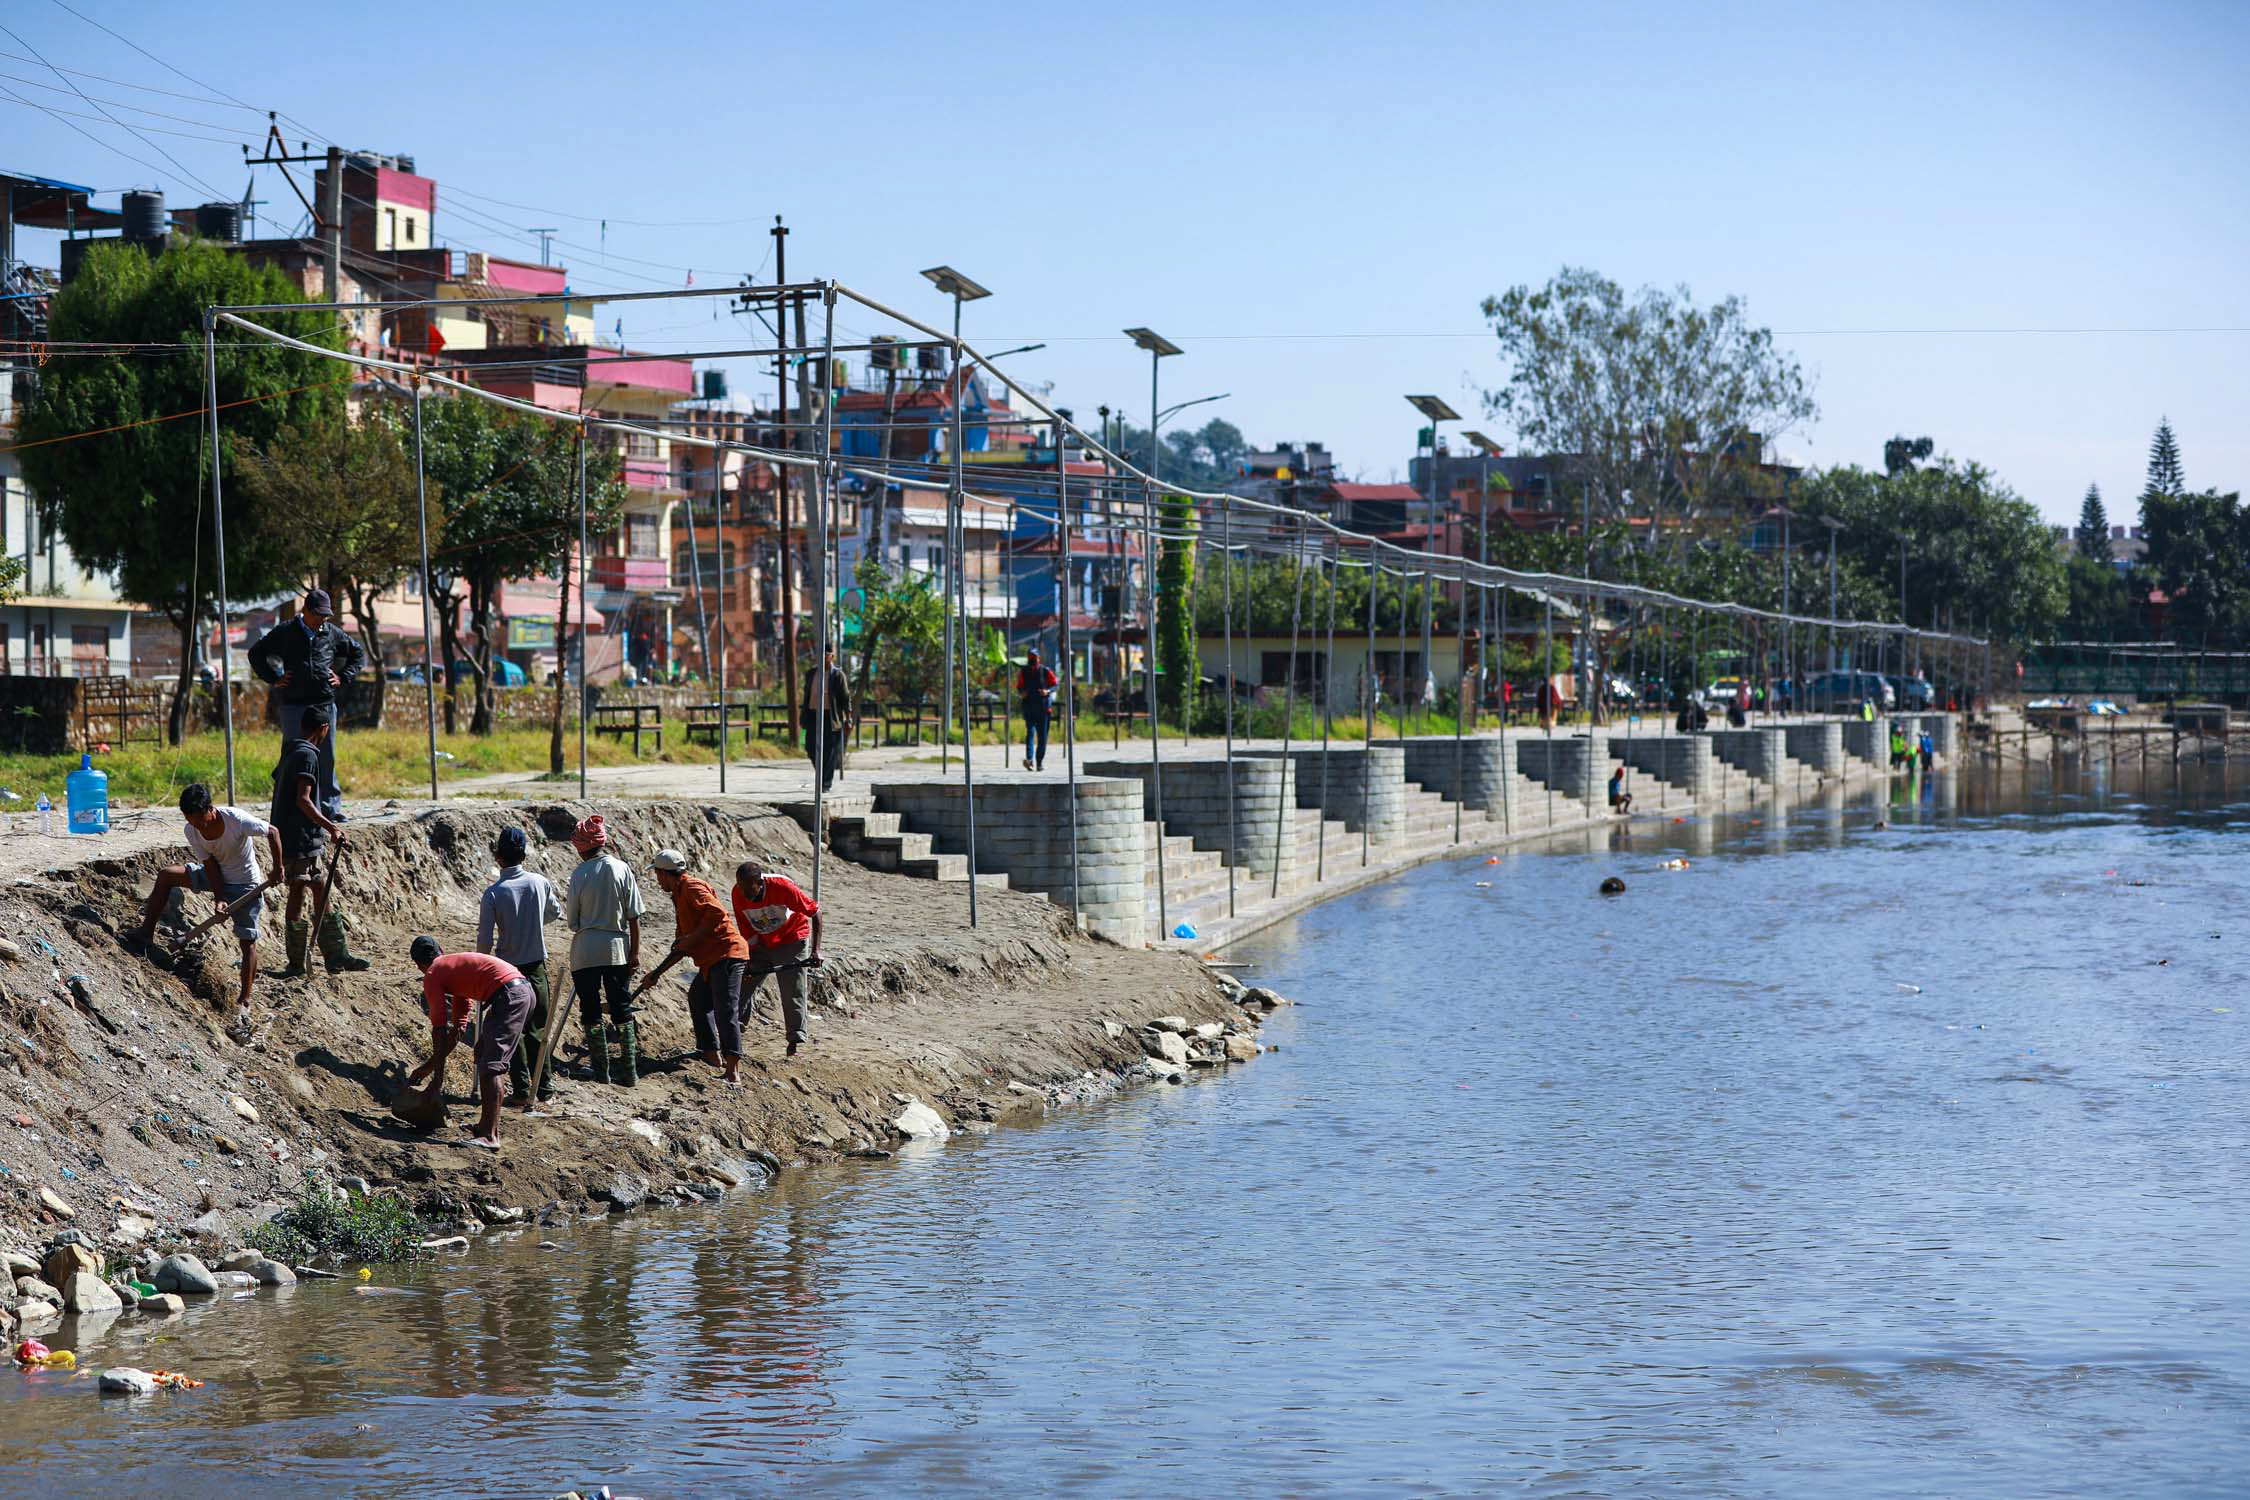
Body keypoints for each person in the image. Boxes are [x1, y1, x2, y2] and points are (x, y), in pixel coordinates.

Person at [125, 783, 284, 1037]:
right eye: (191, 821)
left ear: (210, 809)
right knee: (167, 875)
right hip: (218, 877)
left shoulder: (236, 820)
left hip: (247, 886)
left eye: (200, 819)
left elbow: (273, 832)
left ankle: (244, 999)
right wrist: (219, 899)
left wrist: (278, 869)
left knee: (248, 943)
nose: (198, 826)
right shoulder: (192, 830)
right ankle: (145, 933)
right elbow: (209, 865)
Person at [405, 937, 535, 1150]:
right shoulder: (453, 970)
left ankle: (490, 1136)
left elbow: (439, 1030)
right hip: (522, 992)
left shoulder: (433, 974)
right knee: (484, 1052)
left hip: (509, 996)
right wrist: (430, 1068)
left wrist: (437, 1080)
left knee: (492, 1066)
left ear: (417, 963)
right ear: (441, 950)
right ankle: (484, 1125)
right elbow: (458, 1029)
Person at [635, 849, 751, 1086]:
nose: (657, 882)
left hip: (727, 954)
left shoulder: (691, 887)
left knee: (725, 1009)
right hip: (711, 960)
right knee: (698, 998)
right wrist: (655, 975)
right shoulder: (679, 896)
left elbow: (717, 914)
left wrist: (692, 938)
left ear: (666, 874)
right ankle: (710, 1054)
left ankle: (733, 1072)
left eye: (658, 876)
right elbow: (682, 947)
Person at [247, 586, 364, 820]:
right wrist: (274, 678)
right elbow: (256, 654)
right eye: (317, 614)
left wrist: (343, 676)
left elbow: (357, 654)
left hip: (323, 704)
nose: (321, 619)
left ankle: (329, 808)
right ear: (305, 610)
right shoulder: (286, 631)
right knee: (293, 754)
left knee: (326, 756)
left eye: (325, 615)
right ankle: (289, 806)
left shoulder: (332, 633)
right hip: (293, 705)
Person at [269, 704, 368, 976]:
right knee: (298, 890)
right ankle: (296, 963)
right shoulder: (308, 755)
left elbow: (280, 784)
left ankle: (336, 955)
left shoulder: (291, 748)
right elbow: (302, 799)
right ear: (323, 729)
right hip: (298, 837)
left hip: (301, 836)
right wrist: (331, 827)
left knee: (320, 886)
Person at [477, 826, 564, 1107]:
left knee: (513, 1030)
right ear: (524, 854)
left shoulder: (493, 893)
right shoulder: (539, 882)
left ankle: (523, 1089)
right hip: (536, 967)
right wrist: (533, 924)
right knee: (538, 1029)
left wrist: (481, 970)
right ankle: (545, 1088)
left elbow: (484, 940)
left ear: (498, 857)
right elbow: (555, 912)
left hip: (507, 972)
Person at [565, 814, 646, 1087]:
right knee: (621, 1007)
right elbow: (634, 917)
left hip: (585, 951)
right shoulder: (621, 868)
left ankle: (602, 1073)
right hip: (617, 949)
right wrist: (634, 953)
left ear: (581, 847)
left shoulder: (579, 874)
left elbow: (573, 922)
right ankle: (629, 1072)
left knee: (590, 1009)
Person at [732, 860, 823, 1058]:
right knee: (744, 984)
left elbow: (815, 913)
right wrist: (748, 959)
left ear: (760, 883)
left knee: (792, 989)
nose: (744, 892)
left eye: (749, 888)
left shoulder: (782, 888)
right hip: (761, 942)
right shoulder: (738, 893)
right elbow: (745, 928)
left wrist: (816, 951)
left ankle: (794, 1042)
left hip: (791, 938)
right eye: (740, 886)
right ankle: (733, 1034)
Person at [801, 646, 852, 793]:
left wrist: (848, 718)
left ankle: (825, 783)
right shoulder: (811, 673)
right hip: (812, 715)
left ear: (832, 656)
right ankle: (822, 774)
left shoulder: (837, 675)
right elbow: (806, 696)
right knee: (810, 748)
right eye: (820, 655)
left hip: (830, 717)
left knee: (829, 752)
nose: (822, 658)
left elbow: (845, 697)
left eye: (826, 655)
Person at [1018, 648, 1057, 771]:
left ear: (1039, 659)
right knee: (1030, 732)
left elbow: (1055, 684)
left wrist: (1048, 691)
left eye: (1034, 657)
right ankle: (1029, 759)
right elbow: (1019, 686)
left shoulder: (1045, 671)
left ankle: (1039, 762)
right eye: (1029, 657)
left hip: (1044, 708)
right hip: (1029, 707)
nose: (1031, 659)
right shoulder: (1023, 672)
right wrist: (1022, 693)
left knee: (1042, 737)